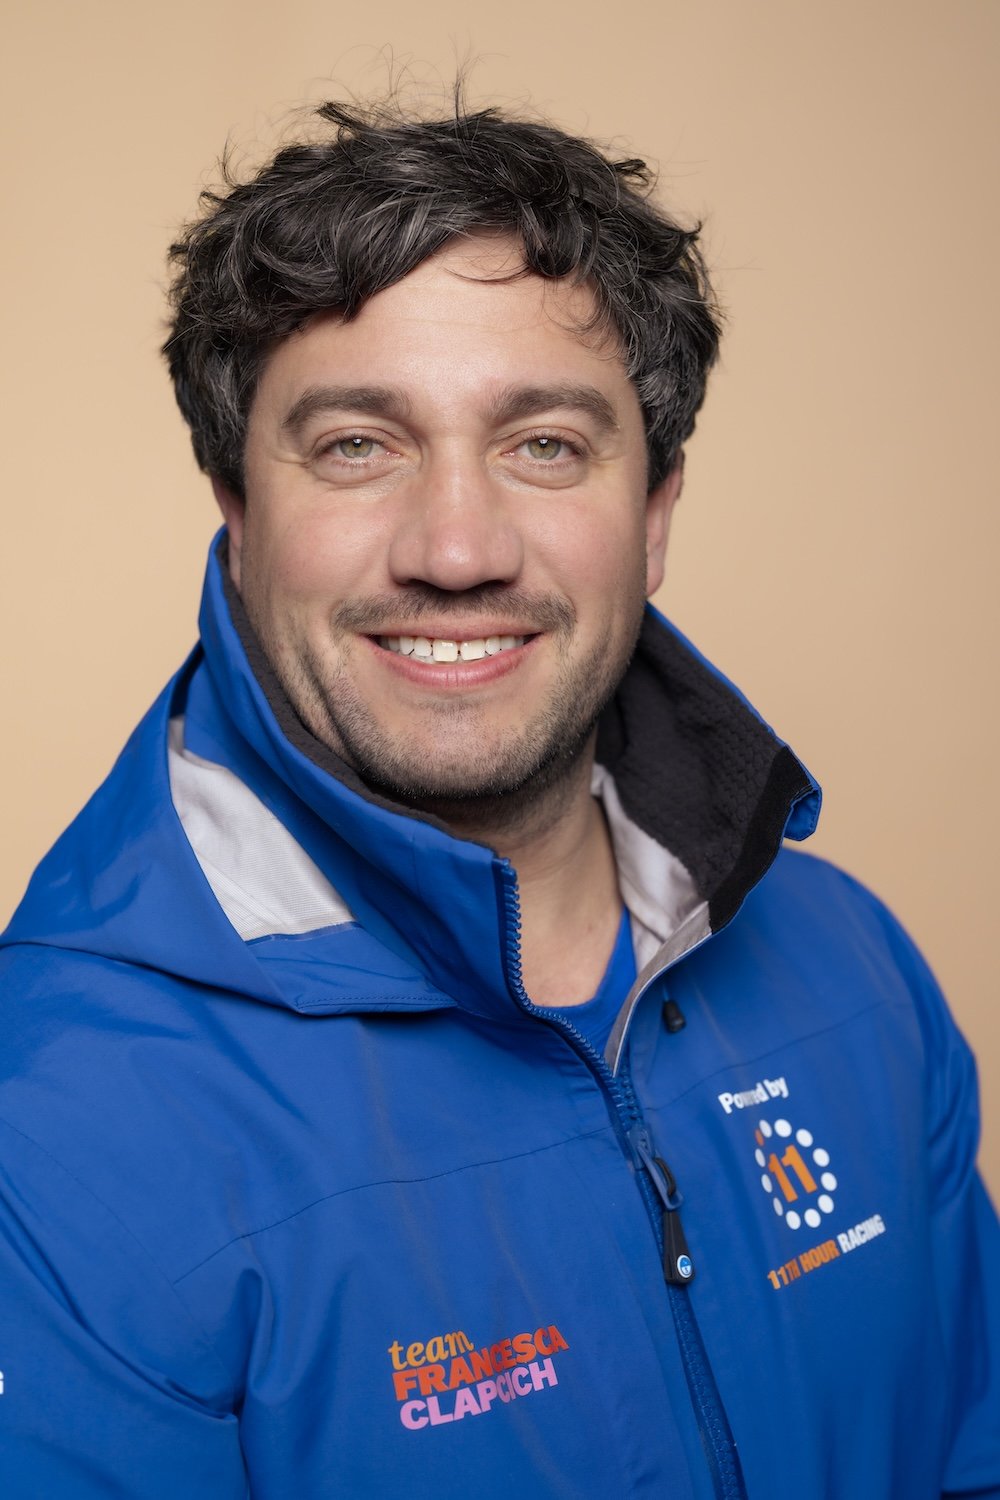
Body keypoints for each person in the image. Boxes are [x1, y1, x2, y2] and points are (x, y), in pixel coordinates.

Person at [1, 95, 997, 1500]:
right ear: (236, 510)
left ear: (652, 516)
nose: (457, 547)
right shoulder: (48, 1124)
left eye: (545, 445)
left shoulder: (857, 970)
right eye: (358, 444)